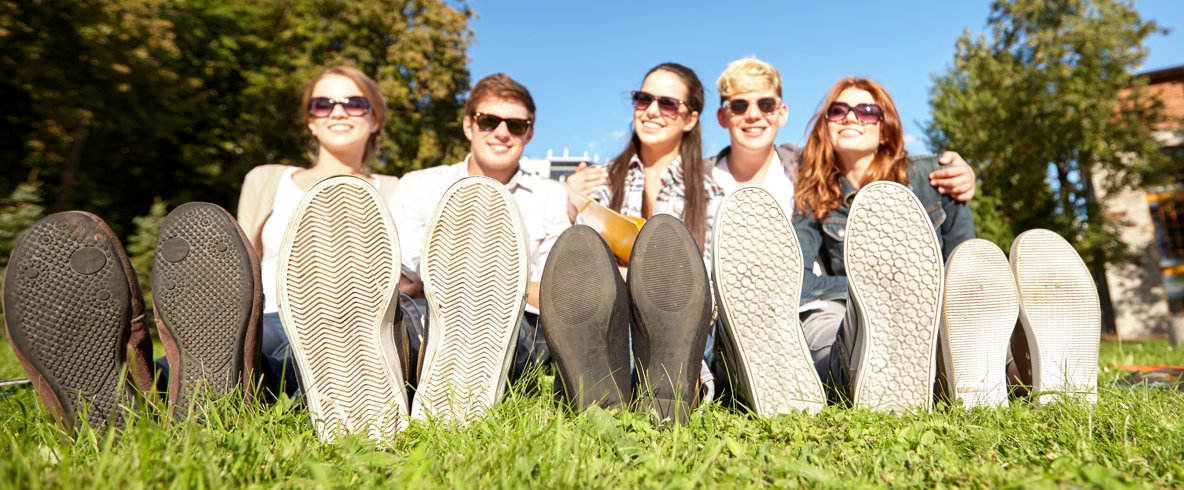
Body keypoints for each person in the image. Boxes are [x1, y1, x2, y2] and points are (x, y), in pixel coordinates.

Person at [705, 57, 979, 416]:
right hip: (851, 315)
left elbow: (966, 266)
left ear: (885, 128)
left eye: (867, 111)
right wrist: (873, 290)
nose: (851, 117)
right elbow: (798, 280)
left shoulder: (936, 175)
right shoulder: (817, 194)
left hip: (940, 313)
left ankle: (1007, 371)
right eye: (838, 111)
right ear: (826, 127)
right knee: (830, 328)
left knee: (968, 321)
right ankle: (840, 376)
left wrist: (921, 291)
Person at [542, 63, 719, 423]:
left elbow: (713, 278)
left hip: (685, 312)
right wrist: (571, 206)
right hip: (613, 310)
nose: (651, 110)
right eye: (643, 99)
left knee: (679, 319)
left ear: (690, 119)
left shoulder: (711, 191)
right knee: (600, 309)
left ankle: (667, 383)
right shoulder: (599, 182)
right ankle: (633, 388)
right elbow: (576, 269)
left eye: (667, 103)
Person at [389, 73, 570, 423]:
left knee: (522, 335)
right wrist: (513, 284)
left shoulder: (551, 197)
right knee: (401, 318)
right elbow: (401, 276)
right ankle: (376, 380)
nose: (502, 132)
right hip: (426, 315)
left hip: (516, 324)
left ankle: (430, 381)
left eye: (516, 125)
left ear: (529, 134)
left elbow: (555, 291)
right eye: (489, 121)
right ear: (468, 126)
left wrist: (449, 281)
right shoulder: (419, 186)